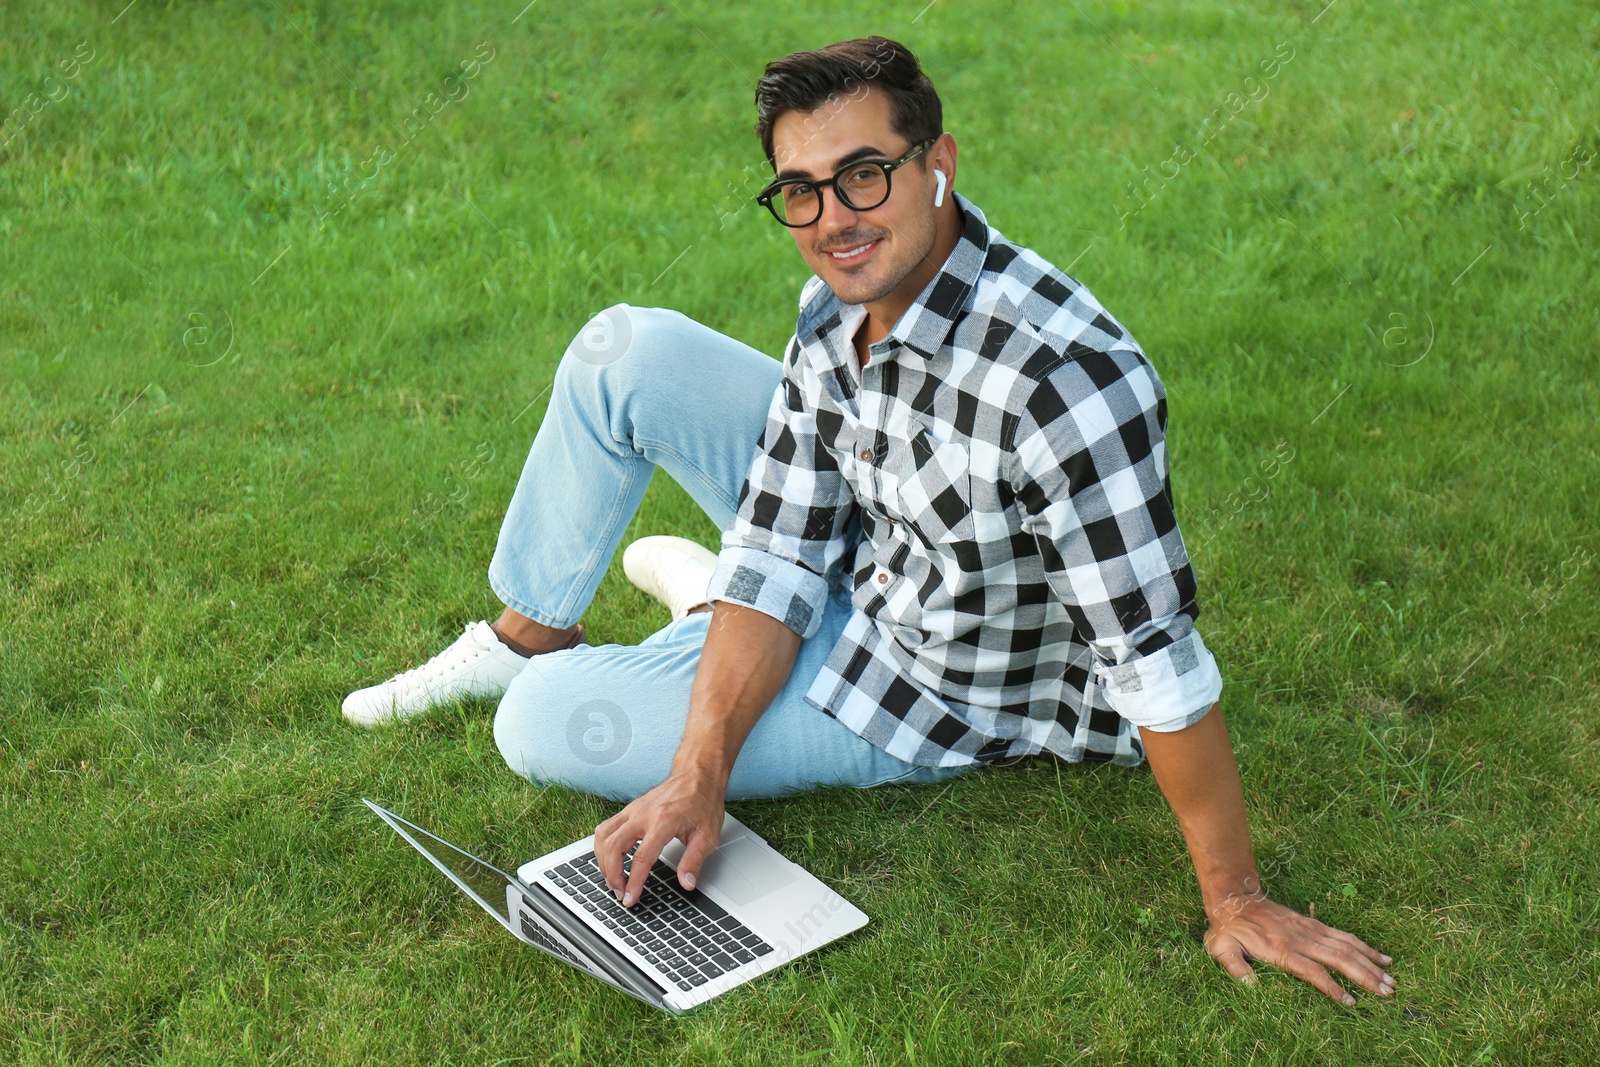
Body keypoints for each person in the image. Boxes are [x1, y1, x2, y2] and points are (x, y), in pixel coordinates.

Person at [343, 35, 1395, 1005]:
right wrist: (698, 772)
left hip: (932, 685)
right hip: (872, 550)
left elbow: (1154, 662)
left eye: (862, 174)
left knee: (540, 721)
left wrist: (1236, 895)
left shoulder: (1066, 389)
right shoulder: (837, 297)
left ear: (938, 162)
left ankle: (697, 607)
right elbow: (785, 538)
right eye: (799, 192)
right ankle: (535, 631)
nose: (833, 219)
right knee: (630, 351)